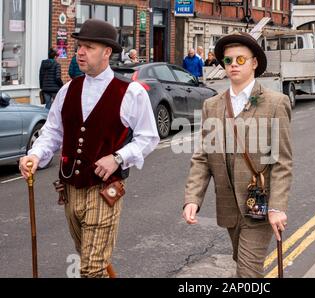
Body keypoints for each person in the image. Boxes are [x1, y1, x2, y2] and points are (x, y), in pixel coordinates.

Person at [19, 19, 160, 278]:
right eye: (79, 46)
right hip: (70, 190)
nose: (80, 52)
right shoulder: (68, 90)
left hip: (104, 191)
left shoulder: (130, 92)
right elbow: (52, 131)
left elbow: (149, 137)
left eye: (89, 47)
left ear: (107, 52)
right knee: (89, 258)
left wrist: (118, 158)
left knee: (91, 269)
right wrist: (35, 155)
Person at [183, 32, 292, 277]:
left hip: (260, 207)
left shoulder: (275, 103)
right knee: (241, 262)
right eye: (228, 61)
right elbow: (203, 157)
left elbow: (283, 161)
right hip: (229, 208)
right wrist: (192, 198)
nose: (233, 65)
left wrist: (277, 207)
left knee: (247, 272)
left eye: (240, 60)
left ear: (254, 63)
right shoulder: (212, 105)